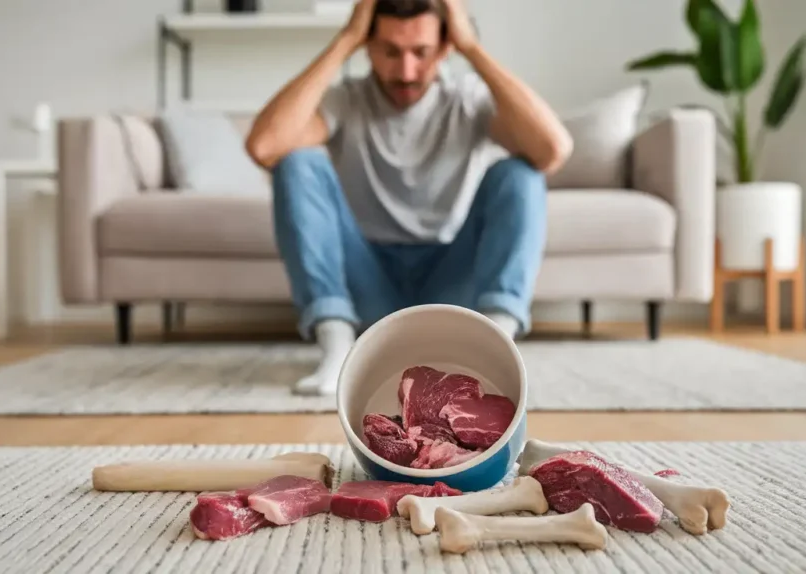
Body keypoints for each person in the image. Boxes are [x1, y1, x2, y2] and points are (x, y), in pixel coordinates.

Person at [245, 0, 573, 396]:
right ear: (369, 47)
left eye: (421, 52)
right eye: (389, 51)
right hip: (367, 281)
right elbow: (265, 146)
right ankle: (336, 349)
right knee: (296, 164)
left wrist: (472, 47)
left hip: (451, 286)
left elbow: (552, 150)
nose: (405, 72)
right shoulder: (347, 100)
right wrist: (346, 38)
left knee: (520, 174)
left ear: (445, 47)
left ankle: (497, 349)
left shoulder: (467, 100)